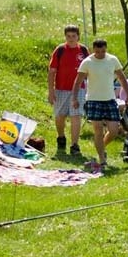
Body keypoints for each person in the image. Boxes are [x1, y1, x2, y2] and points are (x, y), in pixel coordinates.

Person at [73, 39, 128, 170]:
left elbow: (122, 79)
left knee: (114, 131)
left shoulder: (112, 60)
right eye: (97, 51)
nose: (100, 54)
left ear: (106, 49)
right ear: (93, 50)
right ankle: (102, 159)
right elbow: (78, 82)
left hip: (110, 100)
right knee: (98, 129)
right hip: (93, 100)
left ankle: (101, 147)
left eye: (103, 51)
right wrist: (74, 98)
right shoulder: (87, 62)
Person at [48, 24, 89, 157]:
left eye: (74, 36)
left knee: (76, 116)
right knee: (60, 116)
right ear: (65, 37)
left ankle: (75, 145)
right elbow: (52, 71)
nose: (71, 39)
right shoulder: (60, 50)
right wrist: (51, 90)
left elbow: (89, 69)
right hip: (61, 88)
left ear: (78, 37)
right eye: (68, 36)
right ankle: (61, 137)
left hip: (78, 90)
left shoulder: (83, 50)